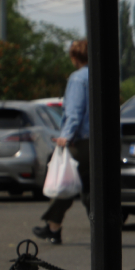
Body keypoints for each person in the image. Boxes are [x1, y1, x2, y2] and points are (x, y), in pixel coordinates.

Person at [33, 39, 90, 245]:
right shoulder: (103, 76)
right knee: (92, 187)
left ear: (75, 57)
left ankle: (53, 228)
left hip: (81, 142)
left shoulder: (78, 79)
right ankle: (104, 229)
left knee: (65, 182)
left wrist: (66, 136)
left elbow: (74, 112)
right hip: (102, 142)